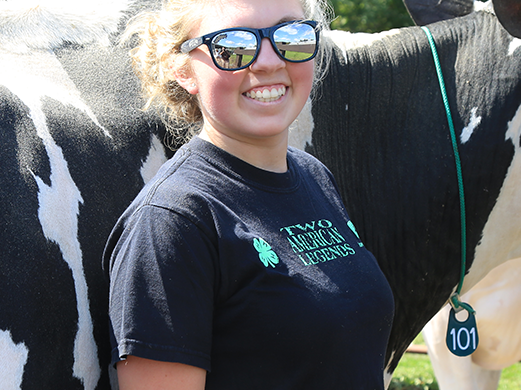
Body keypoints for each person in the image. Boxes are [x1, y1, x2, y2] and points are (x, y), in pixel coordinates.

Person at [103, 0, 395, 388]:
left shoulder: (313, 176)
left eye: (290, 36)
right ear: (183, 68)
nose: (270, 62)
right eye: (233, 46)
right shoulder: (172, 221)